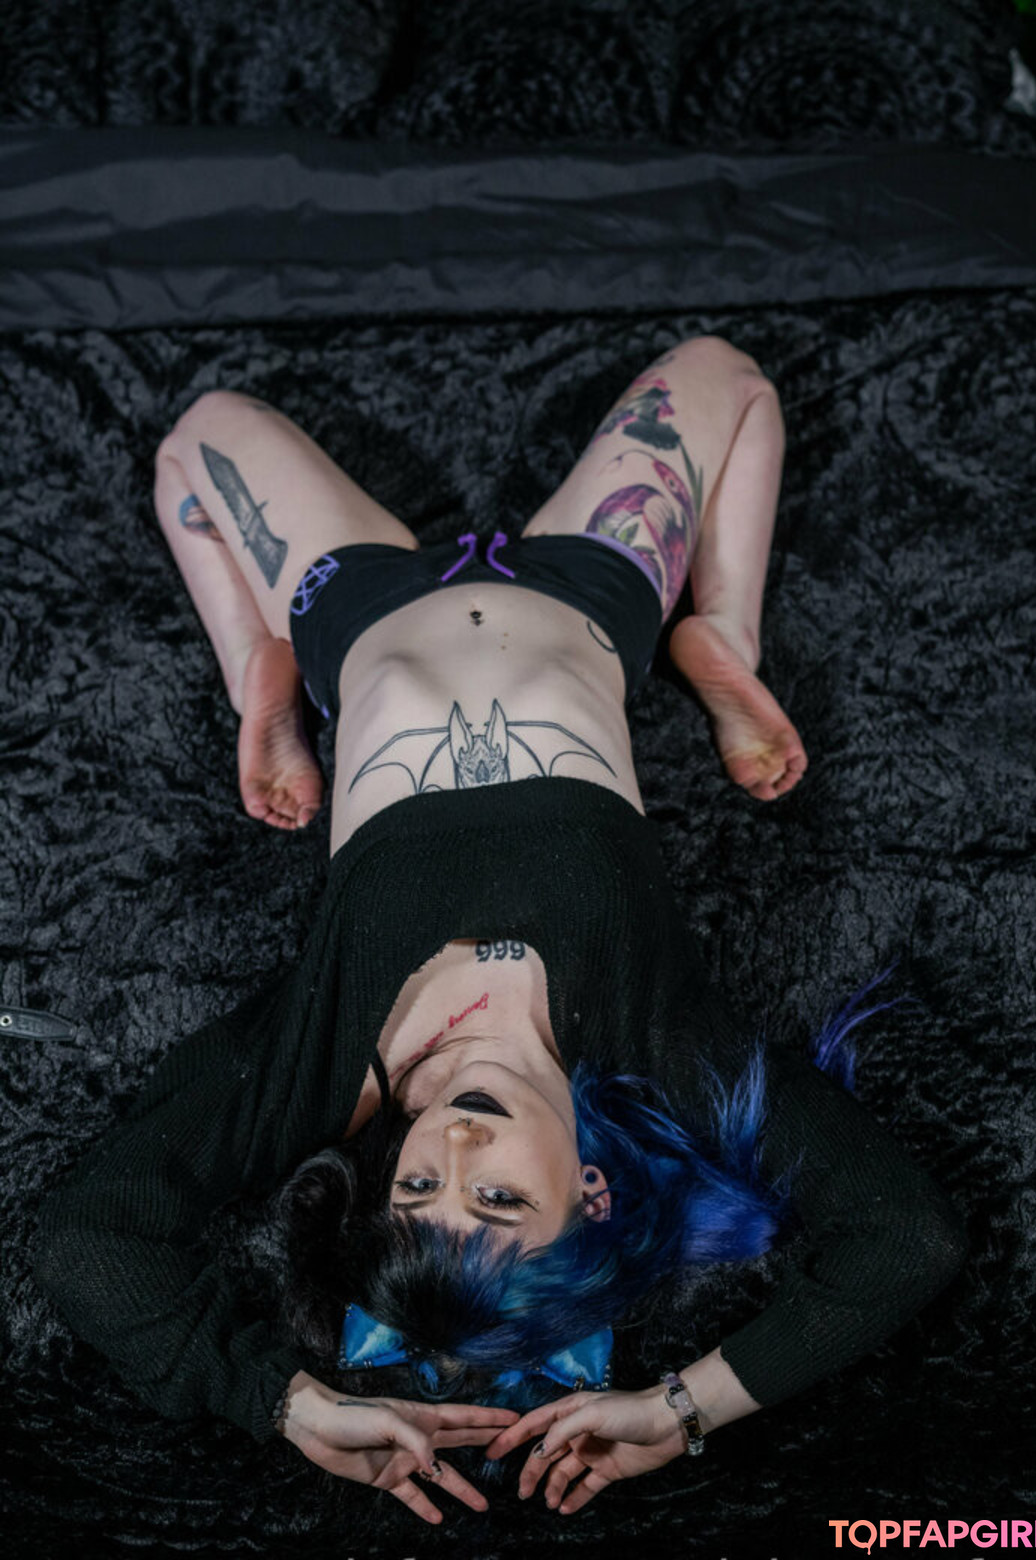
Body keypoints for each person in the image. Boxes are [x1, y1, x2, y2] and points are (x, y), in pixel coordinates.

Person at [33, 335, 967, 1527]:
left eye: (421, 1187)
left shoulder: (309, 1072)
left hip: (354, 612)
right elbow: (907, 1237)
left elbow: (89, 1241)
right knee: (733, 378)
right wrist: (684, 1408)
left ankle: (258, 682)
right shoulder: (665, 1047)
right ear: (592, 1194)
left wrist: (283, 1402)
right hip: (587, 594)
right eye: (503, 1205)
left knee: (193, 443)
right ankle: (724, 640)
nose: (458, 1152)